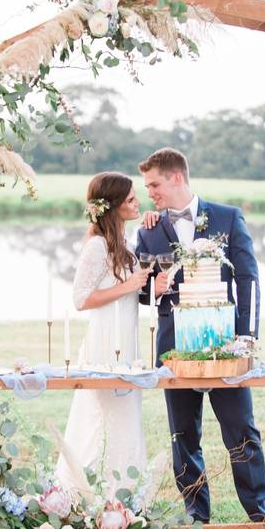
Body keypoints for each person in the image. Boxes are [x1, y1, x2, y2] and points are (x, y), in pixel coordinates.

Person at [135, 147, 265, 523]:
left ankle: (259, 514)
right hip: (173, 348)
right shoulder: (148, 231)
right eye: (147, 187)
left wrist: (247, 336)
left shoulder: (227, 218)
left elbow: (248, 279)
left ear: (177, 177)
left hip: (225, 345)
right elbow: (139, 291)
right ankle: (197, 516)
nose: (151, 193)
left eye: (155, 184)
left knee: (241, 430)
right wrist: (153, 289)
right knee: (183, 435)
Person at [55, 172, 158, 498]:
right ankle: (91, 495)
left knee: (127, 421)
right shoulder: (97, 246)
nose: (137, 202)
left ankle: (126, 496)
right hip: (104, 344)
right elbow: (81, 299)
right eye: (130, 199)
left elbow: (128, 295)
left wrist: (153, 286)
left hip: (127, 342)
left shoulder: (123, 244)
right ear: (112, 206)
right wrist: (127, 285)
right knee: (102, 421)